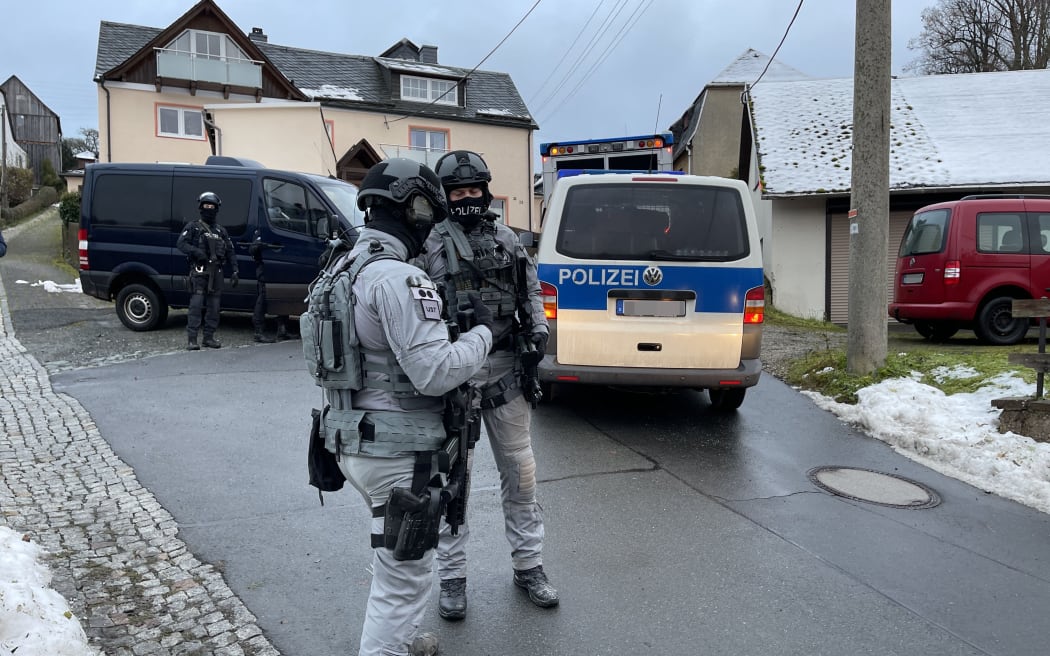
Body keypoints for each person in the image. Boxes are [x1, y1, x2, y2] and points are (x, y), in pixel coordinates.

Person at [306, 158, 493, 656]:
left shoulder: (340, 267)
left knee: (393, 555)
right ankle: (387, 647)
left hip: (350, 440)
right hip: (399, 454)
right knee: (405, 578)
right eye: (429, 209)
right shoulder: (398, 279)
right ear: (414, 208)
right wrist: (481, 336)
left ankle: (404, 640)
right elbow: (434, 373)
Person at [418, 150, 558, 620]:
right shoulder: (432, 244)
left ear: (486, 190)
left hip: (507, 374)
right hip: (455, 376)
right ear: (445, 197)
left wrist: (538, 331)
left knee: (521, 477)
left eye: (473, 190)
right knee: (453, 483)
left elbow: (530, 288)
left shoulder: (507, 239)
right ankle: (453, 577)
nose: (467, 199)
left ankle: (529, 565)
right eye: (457, 192)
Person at [176, 192, 237, 350]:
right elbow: (181, 244)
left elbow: (230, 251)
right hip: (200, 270)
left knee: (214, 307)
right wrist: (197, 252)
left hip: (217, 271)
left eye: (212, 207)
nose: (209, 209)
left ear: (217, 209)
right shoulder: (193, 227)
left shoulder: (221, 231)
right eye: (206, 206)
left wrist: (235, 270)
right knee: (196, 305)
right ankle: (192, 340)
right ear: (200, 208)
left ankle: (209, 338)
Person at [248, 230, 293, 343]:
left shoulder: (284, 224)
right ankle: (258, 332)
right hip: (265, 266)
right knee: (263, 297)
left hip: (280, 264)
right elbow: (252, 249)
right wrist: (262, 245)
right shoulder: (261, 230)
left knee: (282, 295)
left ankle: (282, 329)